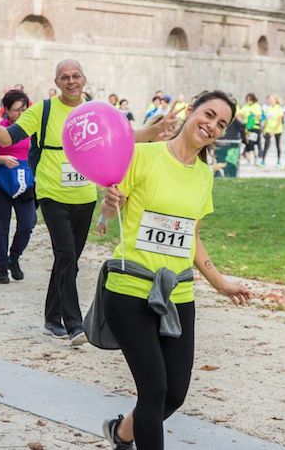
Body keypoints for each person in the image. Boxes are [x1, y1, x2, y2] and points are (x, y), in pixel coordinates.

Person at [0, 59, 177, 346]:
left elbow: (128, 137)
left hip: (85, 198)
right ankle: (74, 324)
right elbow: (6, 136)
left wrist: (158, 128)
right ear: (57, 82)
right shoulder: (44, 110)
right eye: (64, 77)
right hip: (52, 196)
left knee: (68, 260)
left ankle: (51, 319)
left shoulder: (95, 110)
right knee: (66, 257)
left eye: (76, 75)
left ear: (84, 79)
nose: (71, 81)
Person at [97, 90, 251, 450]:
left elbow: (191, 237)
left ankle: (122, 434)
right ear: (191, 111)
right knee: (154, 389)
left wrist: (220, 283)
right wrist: (107, 206)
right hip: (129, 288)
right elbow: (108, 213)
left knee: (175, 394)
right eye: (208, 114)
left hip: (177, 294)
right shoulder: (143, 155)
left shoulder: (203, 175)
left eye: (221, 123)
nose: (212, 125)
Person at [0, 89, 37, 284]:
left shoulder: (32, 129)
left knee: (28, 222)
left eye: (24, 109)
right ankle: (2, 266)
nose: (20, 114)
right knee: (0, 226)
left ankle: (14, 257)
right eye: (16, 110)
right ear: (6, 109)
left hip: (25, 181)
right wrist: (0, 158)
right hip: (1, 181)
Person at [261, 95, 284, 166]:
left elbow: (279, 120)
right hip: (268, 128)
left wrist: (274, 130)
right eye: (270, 99)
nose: (271, 101)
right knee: (266, 144)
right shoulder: (268, 109)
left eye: (272, 99)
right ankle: (263, 160)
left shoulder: (279, 108)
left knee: (277, 144)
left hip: (277, 129)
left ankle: (278, 161)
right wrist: (264, 129)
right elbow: (266, 119)